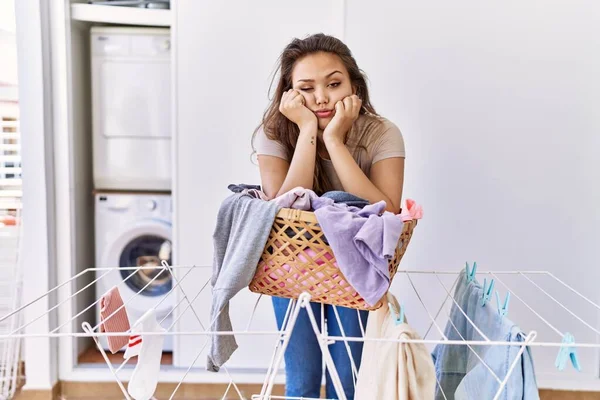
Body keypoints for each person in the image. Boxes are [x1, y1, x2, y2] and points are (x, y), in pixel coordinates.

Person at [252, 33, 406, 399]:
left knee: (348, 383)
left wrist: (335, 141)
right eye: (306, 88)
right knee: (301, 384)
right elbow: (285, 209)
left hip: (355, 267)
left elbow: (388, 211)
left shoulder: (383, 133)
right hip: (292, 265)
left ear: (354, 85)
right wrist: (307, 129)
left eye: (334, 84)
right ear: (290, 94)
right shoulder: (273, 132)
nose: (321, 97)